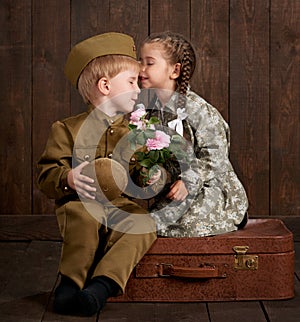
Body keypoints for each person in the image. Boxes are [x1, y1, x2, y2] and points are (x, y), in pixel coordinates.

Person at [37, 32, 157, 317]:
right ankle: (69, 285)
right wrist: (67, 178)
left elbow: (137, 174)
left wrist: (147, 176)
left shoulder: (135, 131)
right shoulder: (66, 129)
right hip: (81, 203)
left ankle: (101, 287)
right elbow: (46, 175)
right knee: (84, 220)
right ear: (105, 85)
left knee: (144, 224)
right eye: (131, 82)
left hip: (119, 206)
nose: (138, 90)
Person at [138, 31, 248, 237]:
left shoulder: (197, 110)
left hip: (208, 188)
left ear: (175, 71)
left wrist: (189, 181)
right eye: (140, 61)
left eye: (149, 63)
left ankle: (233, 214)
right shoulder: (151, 111)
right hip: (176, 189)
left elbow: (215, 155)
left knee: (183, 227)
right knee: (153, 222)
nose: (140, 69)